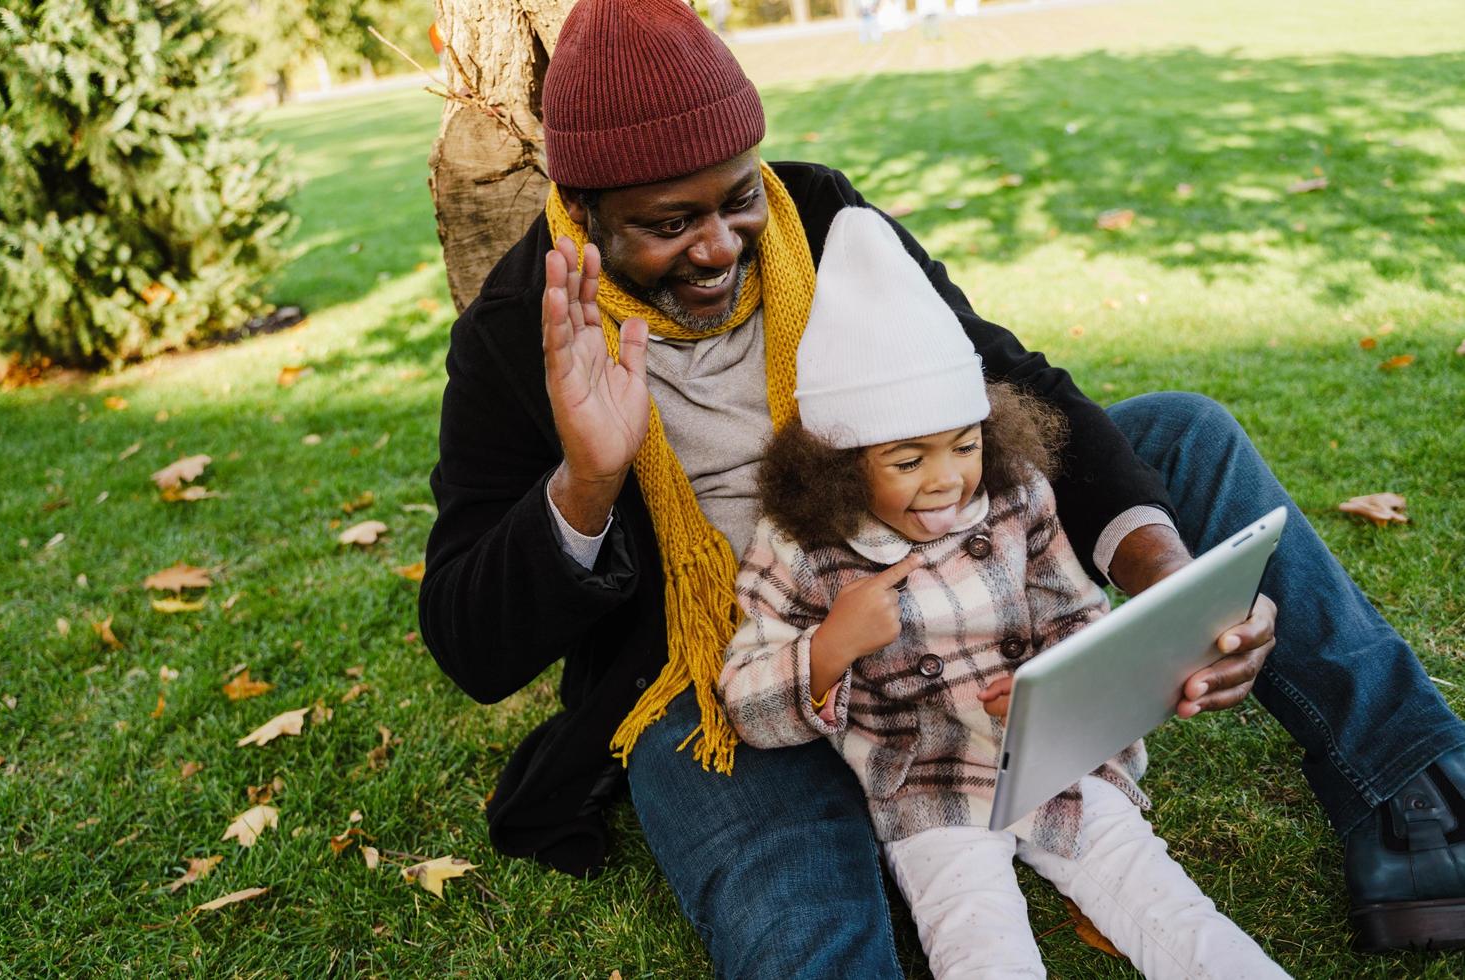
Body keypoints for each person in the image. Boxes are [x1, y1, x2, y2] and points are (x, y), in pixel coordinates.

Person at [418, 0, 1465, 971]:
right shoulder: (521, 331)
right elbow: (471, 642)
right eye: (667, 222)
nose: (719, 246)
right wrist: (588, 482)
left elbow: (1002, 381)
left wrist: (1157, 574)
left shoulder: (815, 213)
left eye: (735, 198)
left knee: (1181, 433)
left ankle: (1413, 790)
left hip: (939, 553)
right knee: (797, 913)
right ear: (585, 209)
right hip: (728, 666)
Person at [719, 207, 1289, 979]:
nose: (948, 479)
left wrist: (1054, 686)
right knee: (979, 943)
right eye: (907, 460)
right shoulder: (800, 548)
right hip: (926, 786)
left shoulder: (1016, 497)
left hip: (1054, 759)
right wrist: (831, 645)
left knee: (1168, 904)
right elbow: (746, 701)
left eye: (964, 443)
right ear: (840, 464)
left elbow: (1076, 612)